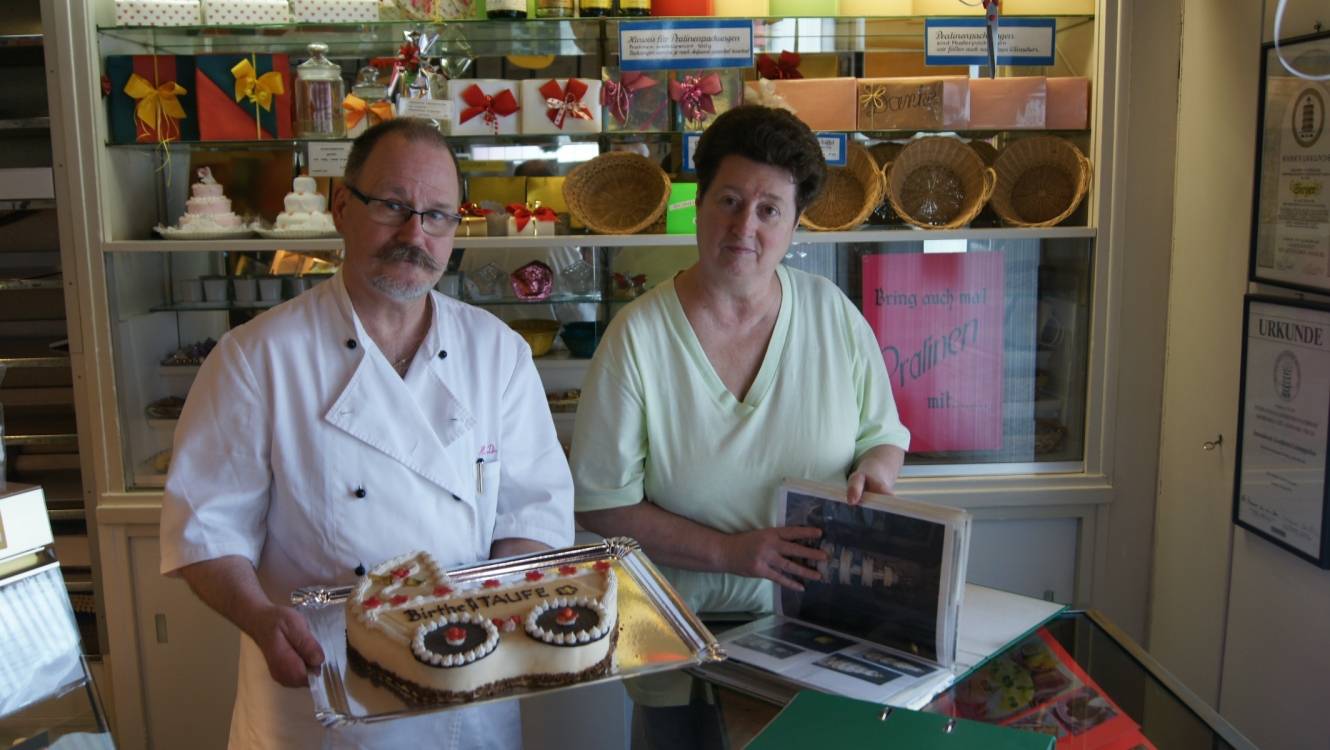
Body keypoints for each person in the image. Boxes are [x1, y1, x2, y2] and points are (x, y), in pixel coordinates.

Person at [159, 118, 574, 749]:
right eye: (392, 206)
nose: (415, 235)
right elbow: (207, 529)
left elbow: (534, 510)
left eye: (437, 215)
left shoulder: (498, 353)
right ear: (343, 208)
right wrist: (258, 616)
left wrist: (493, 608)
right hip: (323, 692)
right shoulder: (258, 356)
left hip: (466, 688)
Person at [569, 106, 910, 748]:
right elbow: (602, 506)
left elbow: (883, 435)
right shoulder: (637, 337)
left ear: (794, 224)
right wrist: (732, 553)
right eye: (728, 200)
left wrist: (876, 472)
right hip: (675, 634)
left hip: (815, 627)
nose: (744, 226)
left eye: (769, 210)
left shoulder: (832, 315)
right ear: (699, 204)